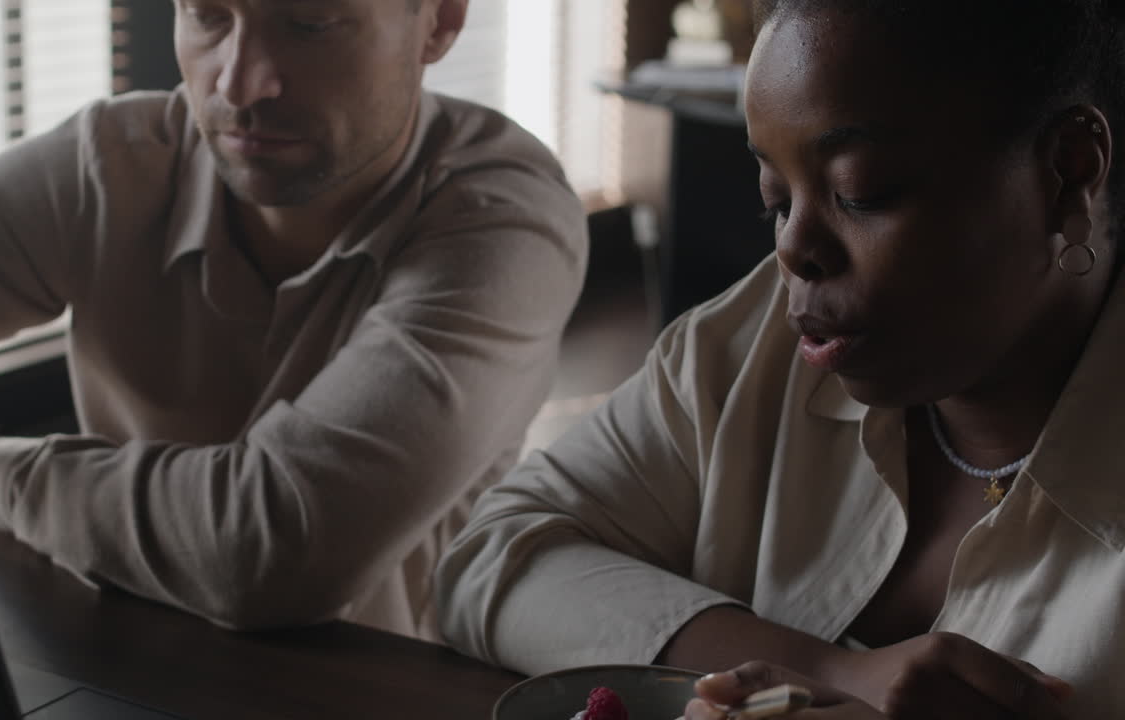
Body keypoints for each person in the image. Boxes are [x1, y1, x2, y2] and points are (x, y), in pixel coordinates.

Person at [435, 0, 1125, 715]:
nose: (793, 250)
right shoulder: (748, 348)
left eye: (861, 191)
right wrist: (830, 674)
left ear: (1068, 173)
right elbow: (492, 557)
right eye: (776, 199)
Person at [0, 0, 588, 641]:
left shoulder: (503, 219)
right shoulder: (114, 163)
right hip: (111, 657)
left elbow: (277, 549)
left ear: (440, 21)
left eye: (309, 23)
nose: (240, 83)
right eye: (207, 15)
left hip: (375, 693)